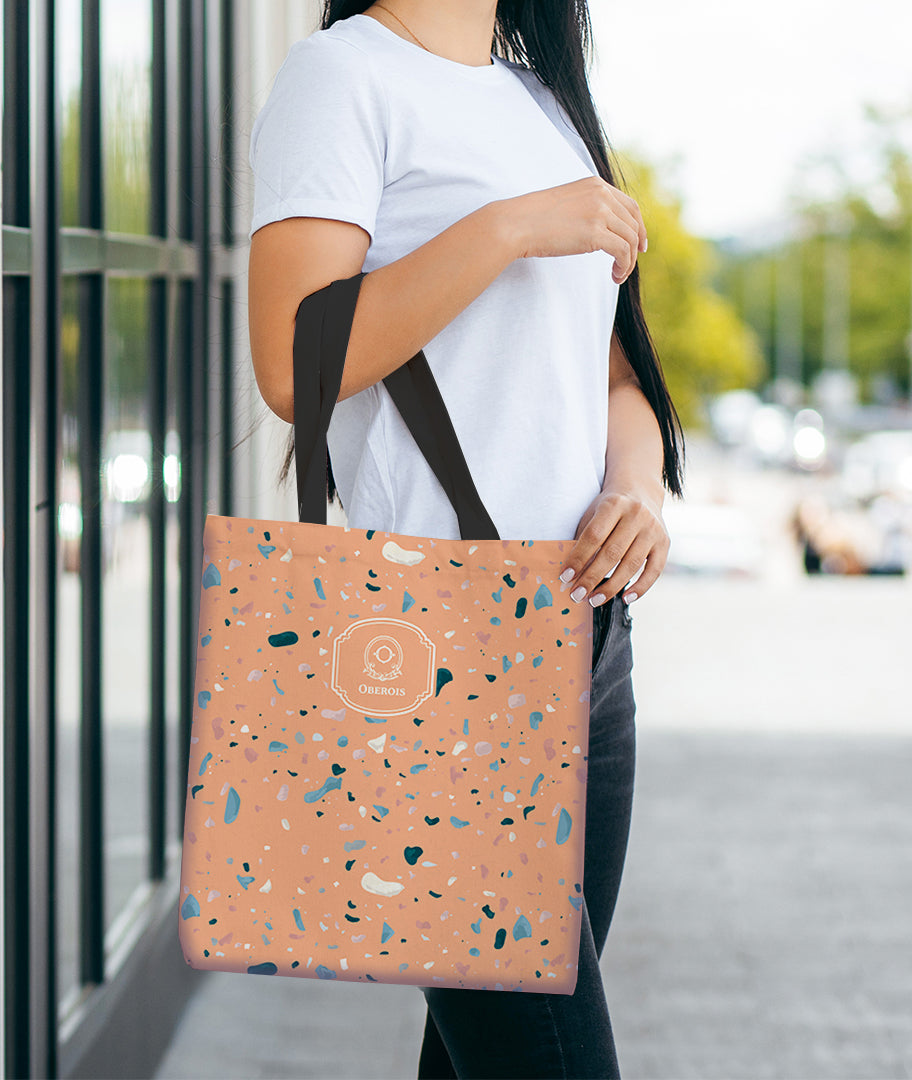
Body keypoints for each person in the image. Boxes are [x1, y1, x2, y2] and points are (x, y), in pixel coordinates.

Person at [245, 1, 685, 1076]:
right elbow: (290, 360)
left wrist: (635, 490)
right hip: (434, 651)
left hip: (588, 633)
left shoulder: (542, 103)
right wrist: (505, 230)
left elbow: (616, 374)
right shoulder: (340, 78)